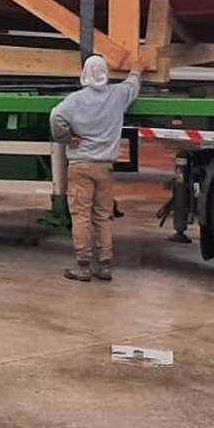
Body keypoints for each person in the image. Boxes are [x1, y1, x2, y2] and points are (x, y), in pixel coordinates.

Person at [50, 54, 141, 282]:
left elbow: (56, 116)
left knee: (81, 215)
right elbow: (132, 85)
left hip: (80, 164)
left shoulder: (75, 100)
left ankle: (83, 264)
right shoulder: (117, 96)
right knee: (102, 215)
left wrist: (67, 137)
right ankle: (105, 264)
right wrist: (136, 70)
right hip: (104, 167)